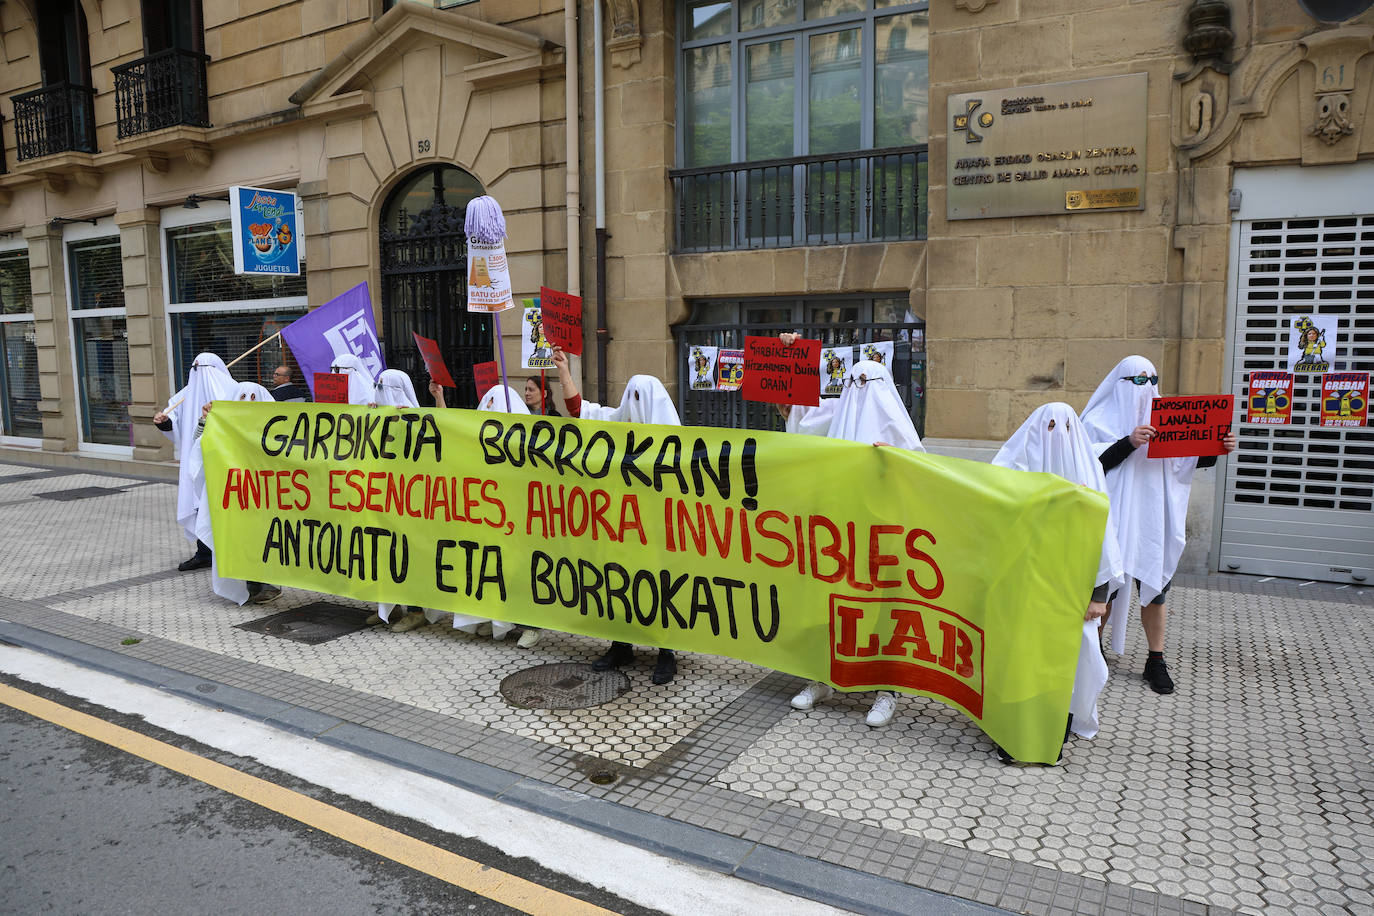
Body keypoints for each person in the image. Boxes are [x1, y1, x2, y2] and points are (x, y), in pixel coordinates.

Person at [779, 350, 925, 727]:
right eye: (853, 382)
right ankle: (825, 678)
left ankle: (886, 691)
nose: (860, 389)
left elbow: (924, 478)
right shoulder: (835, 414)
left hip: (885, 540)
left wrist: (897, 462)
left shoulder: (899, 429)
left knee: (883, 613)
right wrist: (789, 352)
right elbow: (795, 414)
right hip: (841, 534)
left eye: (868, 382)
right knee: (835, 605)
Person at [1080, 356, 1237, 695]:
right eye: (1138, 381)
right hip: (1112, 520)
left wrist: (1215, 448)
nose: (1146, 388)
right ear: (1121, 381)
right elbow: (1087, 467)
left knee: (1155, 589)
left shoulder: (1167, 416)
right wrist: (1128, 442)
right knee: (1103, 588)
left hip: (1152, 518)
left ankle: (1156, 659)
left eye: (1152, 380)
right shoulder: (1096, 419)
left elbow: (1186, 458)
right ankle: (1093, 651)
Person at [991, 402, 1124, 760]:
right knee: (1020, 657)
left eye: (1065, 429)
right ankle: (1014, 730)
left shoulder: (1089, 475)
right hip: (1022, 585)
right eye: (1049, 427)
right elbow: (976, 500)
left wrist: (1098, 595)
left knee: (1068, 661)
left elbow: (1103, 539)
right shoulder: (1010, 470)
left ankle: (1052, 734)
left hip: (1070, 590)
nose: (1056, 438)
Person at [551, 346, 680, 685]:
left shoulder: (677, 442)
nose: (635, 407)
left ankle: (666, 652)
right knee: (619, 582)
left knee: (659, 587)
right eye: (630, 398)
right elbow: (579, 411)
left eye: (641, 399)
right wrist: (564, 371)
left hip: (656, 530)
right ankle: (621, 644)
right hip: (621, 528)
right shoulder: (615, 423)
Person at [427, 378, 537, 647]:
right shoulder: (477, 436)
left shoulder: (525, 439)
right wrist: (439, 398)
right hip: (488, 520)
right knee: (490, 567)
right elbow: (452, 435)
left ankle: (531, 626)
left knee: (519, 572)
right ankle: (494, 618)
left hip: (516, 522)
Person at [192, 381, 283, 605]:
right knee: (238, 539)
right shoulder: (225, 425)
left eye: (254, 398)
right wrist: (206, 420)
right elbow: (201, 445)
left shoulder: (276, 428)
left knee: (263, 540)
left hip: (265, 497)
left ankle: (264, 584)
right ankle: (244, 583)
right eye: (242, 398)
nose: (248, 403)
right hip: (235, 495)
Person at [153, 353, 238, 572]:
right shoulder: (186, 395)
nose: (201, 374)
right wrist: (164, 422)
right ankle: (204, 552)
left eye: (206, 368)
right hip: (196, 459)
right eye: (196, 368)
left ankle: (230, 553)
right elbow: (175, 423)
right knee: (199, 502)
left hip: (225, 459)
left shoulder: (234, 391)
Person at [368, 368, 434, 633]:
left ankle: (416, 610)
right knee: (384, 553)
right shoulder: (378, 416)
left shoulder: (418, 421)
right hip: (383, 500)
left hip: (411, 506)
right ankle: (389, 607)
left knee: (409, 556)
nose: (383, 395)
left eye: (388, 389)